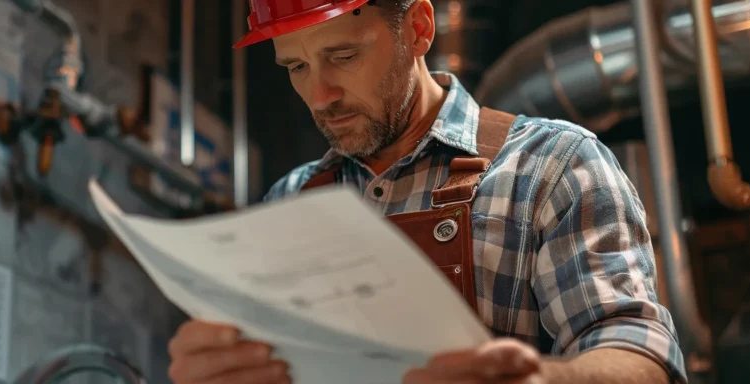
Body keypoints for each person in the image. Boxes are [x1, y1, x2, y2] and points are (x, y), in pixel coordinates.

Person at [167, 0, 686, 383]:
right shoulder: (289, 202)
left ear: (417, 29)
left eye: (343, 55)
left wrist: (541, 381)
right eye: (296, 67)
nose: (319, 95)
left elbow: (640, 359)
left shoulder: (553, 165)